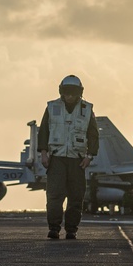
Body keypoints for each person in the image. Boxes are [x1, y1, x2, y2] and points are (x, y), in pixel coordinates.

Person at [38, 75, 99, 240]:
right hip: (57, 158)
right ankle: (54, 228)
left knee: (76, 196)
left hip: (77, 159)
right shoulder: (52, 107)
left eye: (73, 93)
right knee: (54, 195)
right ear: (61, 92)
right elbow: (43, 131)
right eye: (67, 93)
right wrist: (44, 153)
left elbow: (93, 135)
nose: (70, 96)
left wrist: (89, 156)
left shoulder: (87, 109)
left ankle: (71, 229)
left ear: (79, 93)